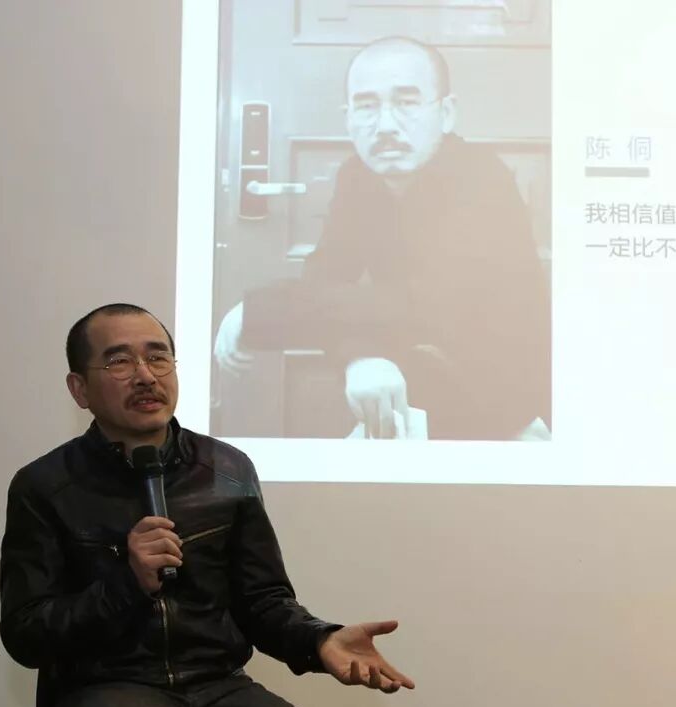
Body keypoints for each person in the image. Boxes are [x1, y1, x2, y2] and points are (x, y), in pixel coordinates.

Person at [0, 303, 414, 707]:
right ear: (79, 389)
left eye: (158, 358)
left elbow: (263, 600)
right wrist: (127, 583)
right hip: (100, 688)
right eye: (120, 361)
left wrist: (319, 640)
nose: (146, 375)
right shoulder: (45, 486)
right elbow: (26, 632)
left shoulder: (227, 470)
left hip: (213, 683)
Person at [215, 36, 551, 441]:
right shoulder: (358, 176)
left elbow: (429, 303)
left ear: (446, 114)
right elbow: (327, 280)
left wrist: (267, 309)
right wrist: (361, 358)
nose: (386, 125)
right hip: (417, 383)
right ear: (348, 119)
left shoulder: (483, 180)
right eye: (367, 106)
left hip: (508, 410)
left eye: (407, 102)